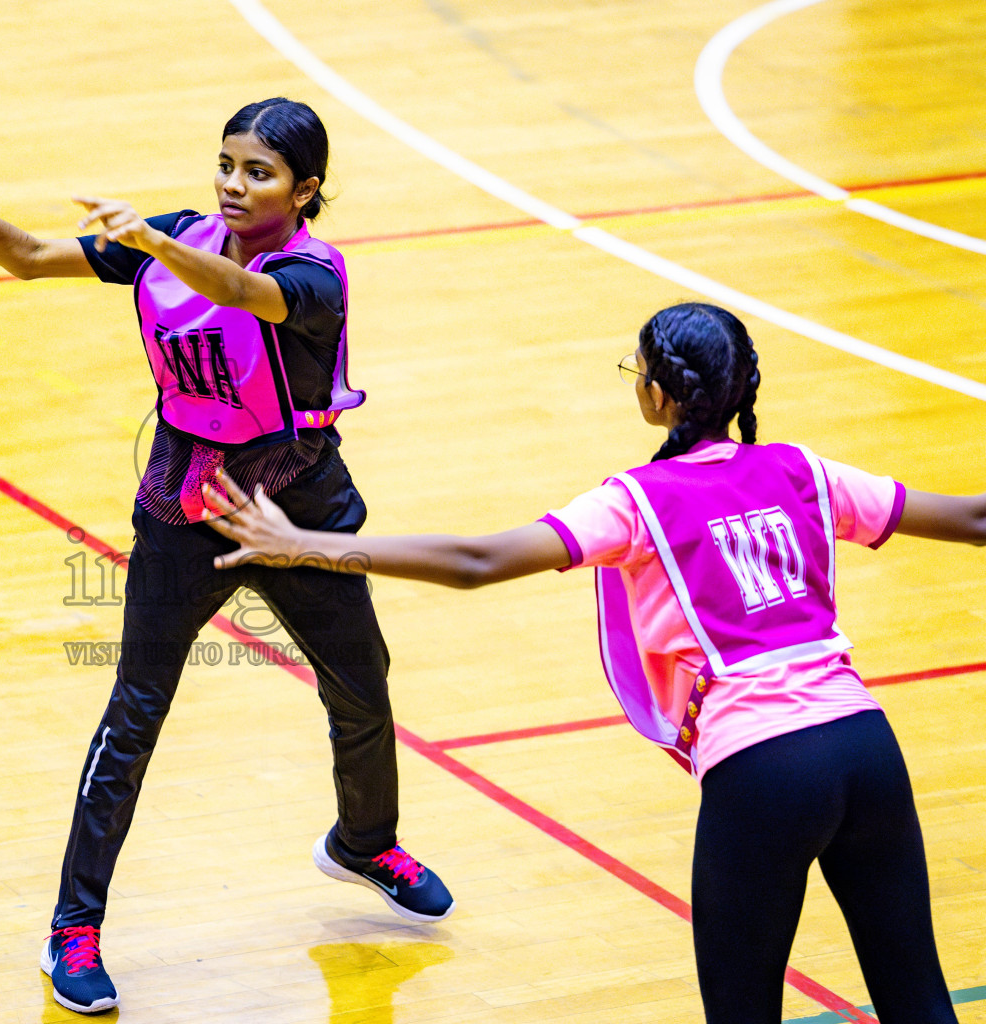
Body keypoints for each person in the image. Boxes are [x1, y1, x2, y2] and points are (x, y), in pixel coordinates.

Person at [200, 302, 980, 1023]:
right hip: (866, 747)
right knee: (918, 1001)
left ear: (659, 394)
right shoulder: (804, 472)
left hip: (763, 768)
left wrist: (306, 545)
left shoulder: (637, 502)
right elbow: (975, 518)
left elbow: (480, 559)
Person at [0, 97, 454, 1015]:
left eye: (258, 173)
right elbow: (29, 258)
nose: (232, 184)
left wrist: (153, 243)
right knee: (135, 712)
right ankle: (72, 928)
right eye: (225, 164)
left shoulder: (312, 275)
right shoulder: (173, 240)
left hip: (297, 501)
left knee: (363, 682)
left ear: (304, 192)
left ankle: (363, 844)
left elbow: (241, 295)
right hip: (186, 507)